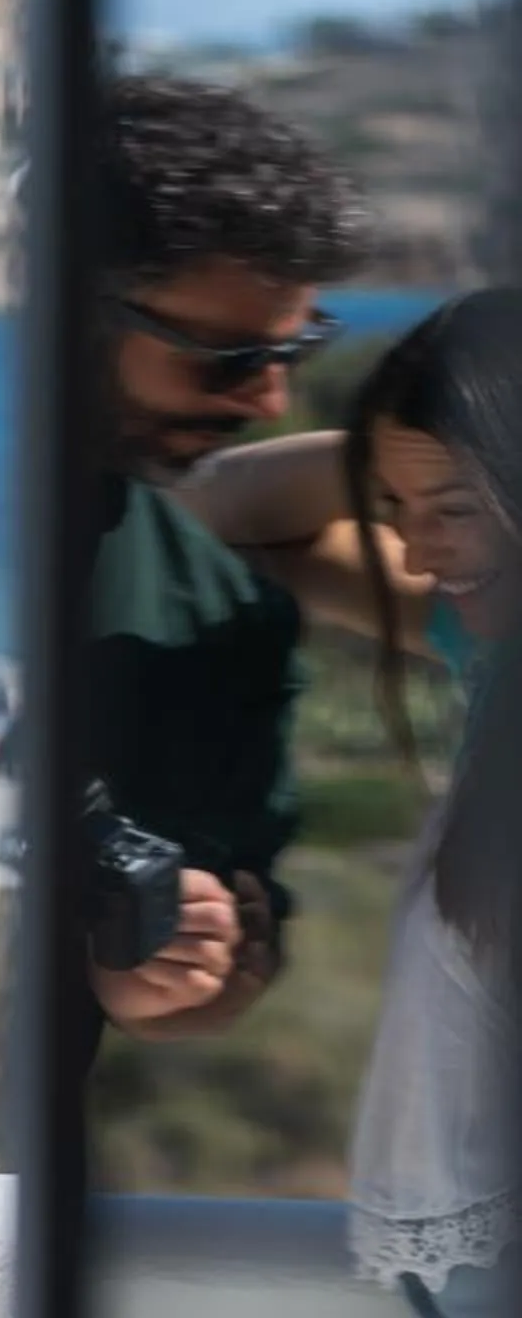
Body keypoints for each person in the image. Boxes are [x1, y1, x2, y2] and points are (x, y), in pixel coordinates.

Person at [173, 289, 522, 1316]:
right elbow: (213, 518)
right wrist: (406, 446)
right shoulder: (492, 651)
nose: (415, 553)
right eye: (397, 511)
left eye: (450, 509)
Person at [76, 75, 366, 1056]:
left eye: (298, 349)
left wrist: (186, 972)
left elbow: (236, 937)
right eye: (229, 358)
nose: (274, 401)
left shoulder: (223, 611)